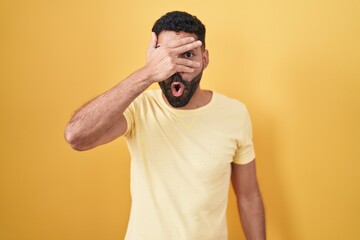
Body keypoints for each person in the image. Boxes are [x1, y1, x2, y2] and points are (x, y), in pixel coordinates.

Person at [65, 11, 266, 240]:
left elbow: (249, 197)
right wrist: (147, 73)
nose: (174, 67)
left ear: (205, 59)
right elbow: (76, 136)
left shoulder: (235, 113)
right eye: (165, 56)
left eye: (187, 54)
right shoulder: (138, 108)